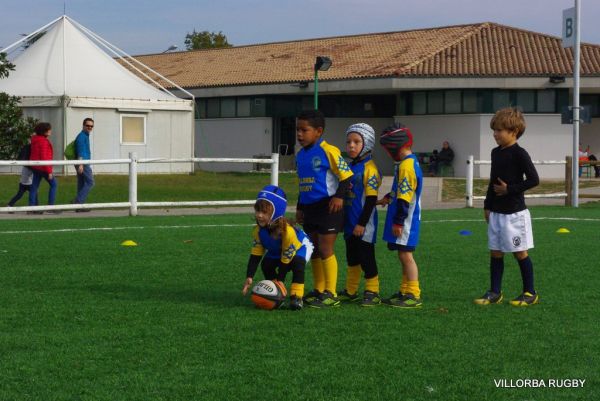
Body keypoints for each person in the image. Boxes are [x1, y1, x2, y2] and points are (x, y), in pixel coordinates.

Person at [474, 107, 540, 307]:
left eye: (499, 130)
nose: (495, 134)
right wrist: (487, 205)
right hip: (496, 212)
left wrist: (509, 189)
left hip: (515, 214)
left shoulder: (520, 154)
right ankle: (495, 292)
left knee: (520, 252)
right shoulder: (496, 153)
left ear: (514, 131)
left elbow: (534, 180)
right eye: (494, 130)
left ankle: (530, 293)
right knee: (495, 251)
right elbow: (493, 181)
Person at [295, 109, 353, 308]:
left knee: (326, 248)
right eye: (298, 130)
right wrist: (300, 207)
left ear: (318, 131)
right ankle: (319, 290)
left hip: (328, 206)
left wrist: (339, 197)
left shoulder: (329, 150)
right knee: (314, 249)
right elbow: (303, 184)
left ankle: (331, 293)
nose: (299, 134)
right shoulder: (300, 155)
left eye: (304, 130)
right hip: (309, 207)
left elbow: (347, 176)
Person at [242, 185, 314, 310]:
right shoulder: (258, 231)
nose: (259, 215)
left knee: (297, 263)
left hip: (299, 247)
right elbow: (256, 254)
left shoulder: (287, 231)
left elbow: (286, 259)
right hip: (279, 251)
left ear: (277, 212)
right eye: (257, 211)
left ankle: (296, 297)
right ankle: (276, 294)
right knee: (266, 264)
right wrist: (249, 276)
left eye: (264, 212)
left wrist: (281, 279)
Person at [378, 123, 424, 308]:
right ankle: (405, 291)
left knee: (406, 256)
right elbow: (401, 191)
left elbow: (406, 198)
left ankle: (413, 293)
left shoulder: (407, 166)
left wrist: (398, 222)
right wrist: (387, 198)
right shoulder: (407, 163)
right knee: (402, 254)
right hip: (405, 216)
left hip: (407, 218)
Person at [337, 123, 382, 306]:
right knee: (352, 257)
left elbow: (371, 200)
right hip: (349, 222)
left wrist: (362, 224)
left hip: (364, 224)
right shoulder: (349, 167)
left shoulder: (370, 169)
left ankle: (373, 291)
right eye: (348, 142)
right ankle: (351, 290)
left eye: (356, 141)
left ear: (368, 143)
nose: (351, 146)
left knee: (366, 257)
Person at [28, 122, 59, 214]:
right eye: (49, 129)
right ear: (44, 131)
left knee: (34, 187)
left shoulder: (34, 139)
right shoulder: (44, 142)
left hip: (35, 167)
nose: (50, 131)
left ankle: (31, 208)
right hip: (43, 168)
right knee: (54, 184)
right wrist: (49, 171)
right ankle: (50, 207)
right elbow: (44, 157)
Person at [72, 118, 95, 211]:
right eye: (88, 125)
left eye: (91, 126)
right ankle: (77, 201)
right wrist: (81, 164)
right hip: (83, 163)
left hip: (82, 162)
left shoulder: (85, 135)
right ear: (83, 125)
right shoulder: (81, 136)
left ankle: (79, 206)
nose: (89, 127)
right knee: (90, 182)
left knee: (81, 183)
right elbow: (80, 150)